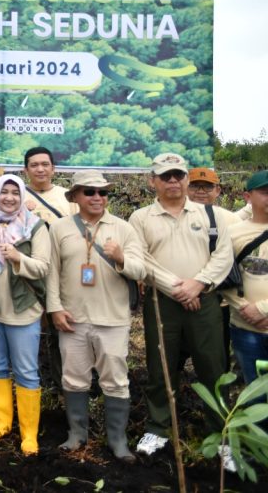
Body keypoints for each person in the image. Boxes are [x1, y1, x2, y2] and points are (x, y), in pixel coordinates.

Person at [130, 154, 234, 462]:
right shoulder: (141, 218)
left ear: (186, 180)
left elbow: (223, 256)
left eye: (178, 175)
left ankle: (220, 433)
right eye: (166, 176)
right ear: (153, 181)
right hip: (161, 303)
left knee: (213, 367)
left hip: (204, 301)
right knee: (161, 365)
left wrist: (198, 284)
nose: (173, 181)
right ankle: (158, 427)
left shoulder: (211, 216)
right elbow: (142, 259)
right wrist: (178, 288)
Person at [46, 170, 145, 463]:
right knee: (74, 378)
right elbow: (52, 273)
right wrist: (54, 308)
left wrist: (121, 258)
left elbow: (141, 270)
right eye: (89, 192)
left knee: (116, 380)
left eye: (103, 192)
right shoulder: (60, 228)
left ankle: (117, 439)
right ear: (75, 196)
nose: (97, 197)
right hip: (72, 319)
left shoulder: (124, 229)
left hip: (112, 319)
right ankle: (77, 434)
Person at [0, 174, 49, 455]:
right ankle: (2, 422)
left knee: (26, 371)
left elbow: (43, 267)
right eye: (3, 192)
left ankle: (29, 434)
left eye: (15, 193)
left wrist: (18, 257)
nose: (9, 198)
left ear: (21, 196)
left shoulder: (35, 226)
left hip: (23, 310)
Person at [22, 146, 77, 394]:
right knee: (25, 328)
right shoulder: (16, 195)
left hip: (62, 274)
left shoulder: (69, 198)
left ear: (53, 168)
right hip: (26, 275)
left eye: (45, 164)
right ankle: (28, 381)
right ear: (26, 170)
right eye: (34, 165)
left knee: (61, 329)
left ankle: (61, 382)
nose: (40, 169)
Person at [186, 167, 238, 372]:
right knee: (175, 353)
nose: (200, 191)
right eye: (195, 186)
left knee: (218, 352)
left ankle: (218, 398)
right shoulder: (170, 216)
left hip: (218, 298)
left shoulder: (230, 219)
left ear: (217, 190)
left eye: (207, 187)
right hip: (179, 294)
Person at [222, 170, 268, 386]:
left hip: (258, 316)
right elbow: (221, 276)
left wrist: (263, 309)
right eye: (265, 192)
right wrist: (245, 308)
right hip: (246, 326)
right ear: (247, 197)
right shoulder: (232, 233)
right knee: (254, 391)